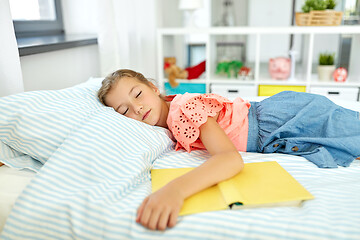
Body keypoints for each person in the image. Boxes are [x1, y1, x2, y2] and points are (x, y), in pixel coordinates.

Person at [98, 69, 360, 231]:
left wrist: (175, 190)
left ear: (154, 89)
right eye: (124, 111)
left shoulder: (182, 110)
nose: (137, 108)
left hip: (281, 118)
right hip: (274, 130)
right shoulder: (167, 121)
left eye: (138, 94)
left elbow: (229, 159)